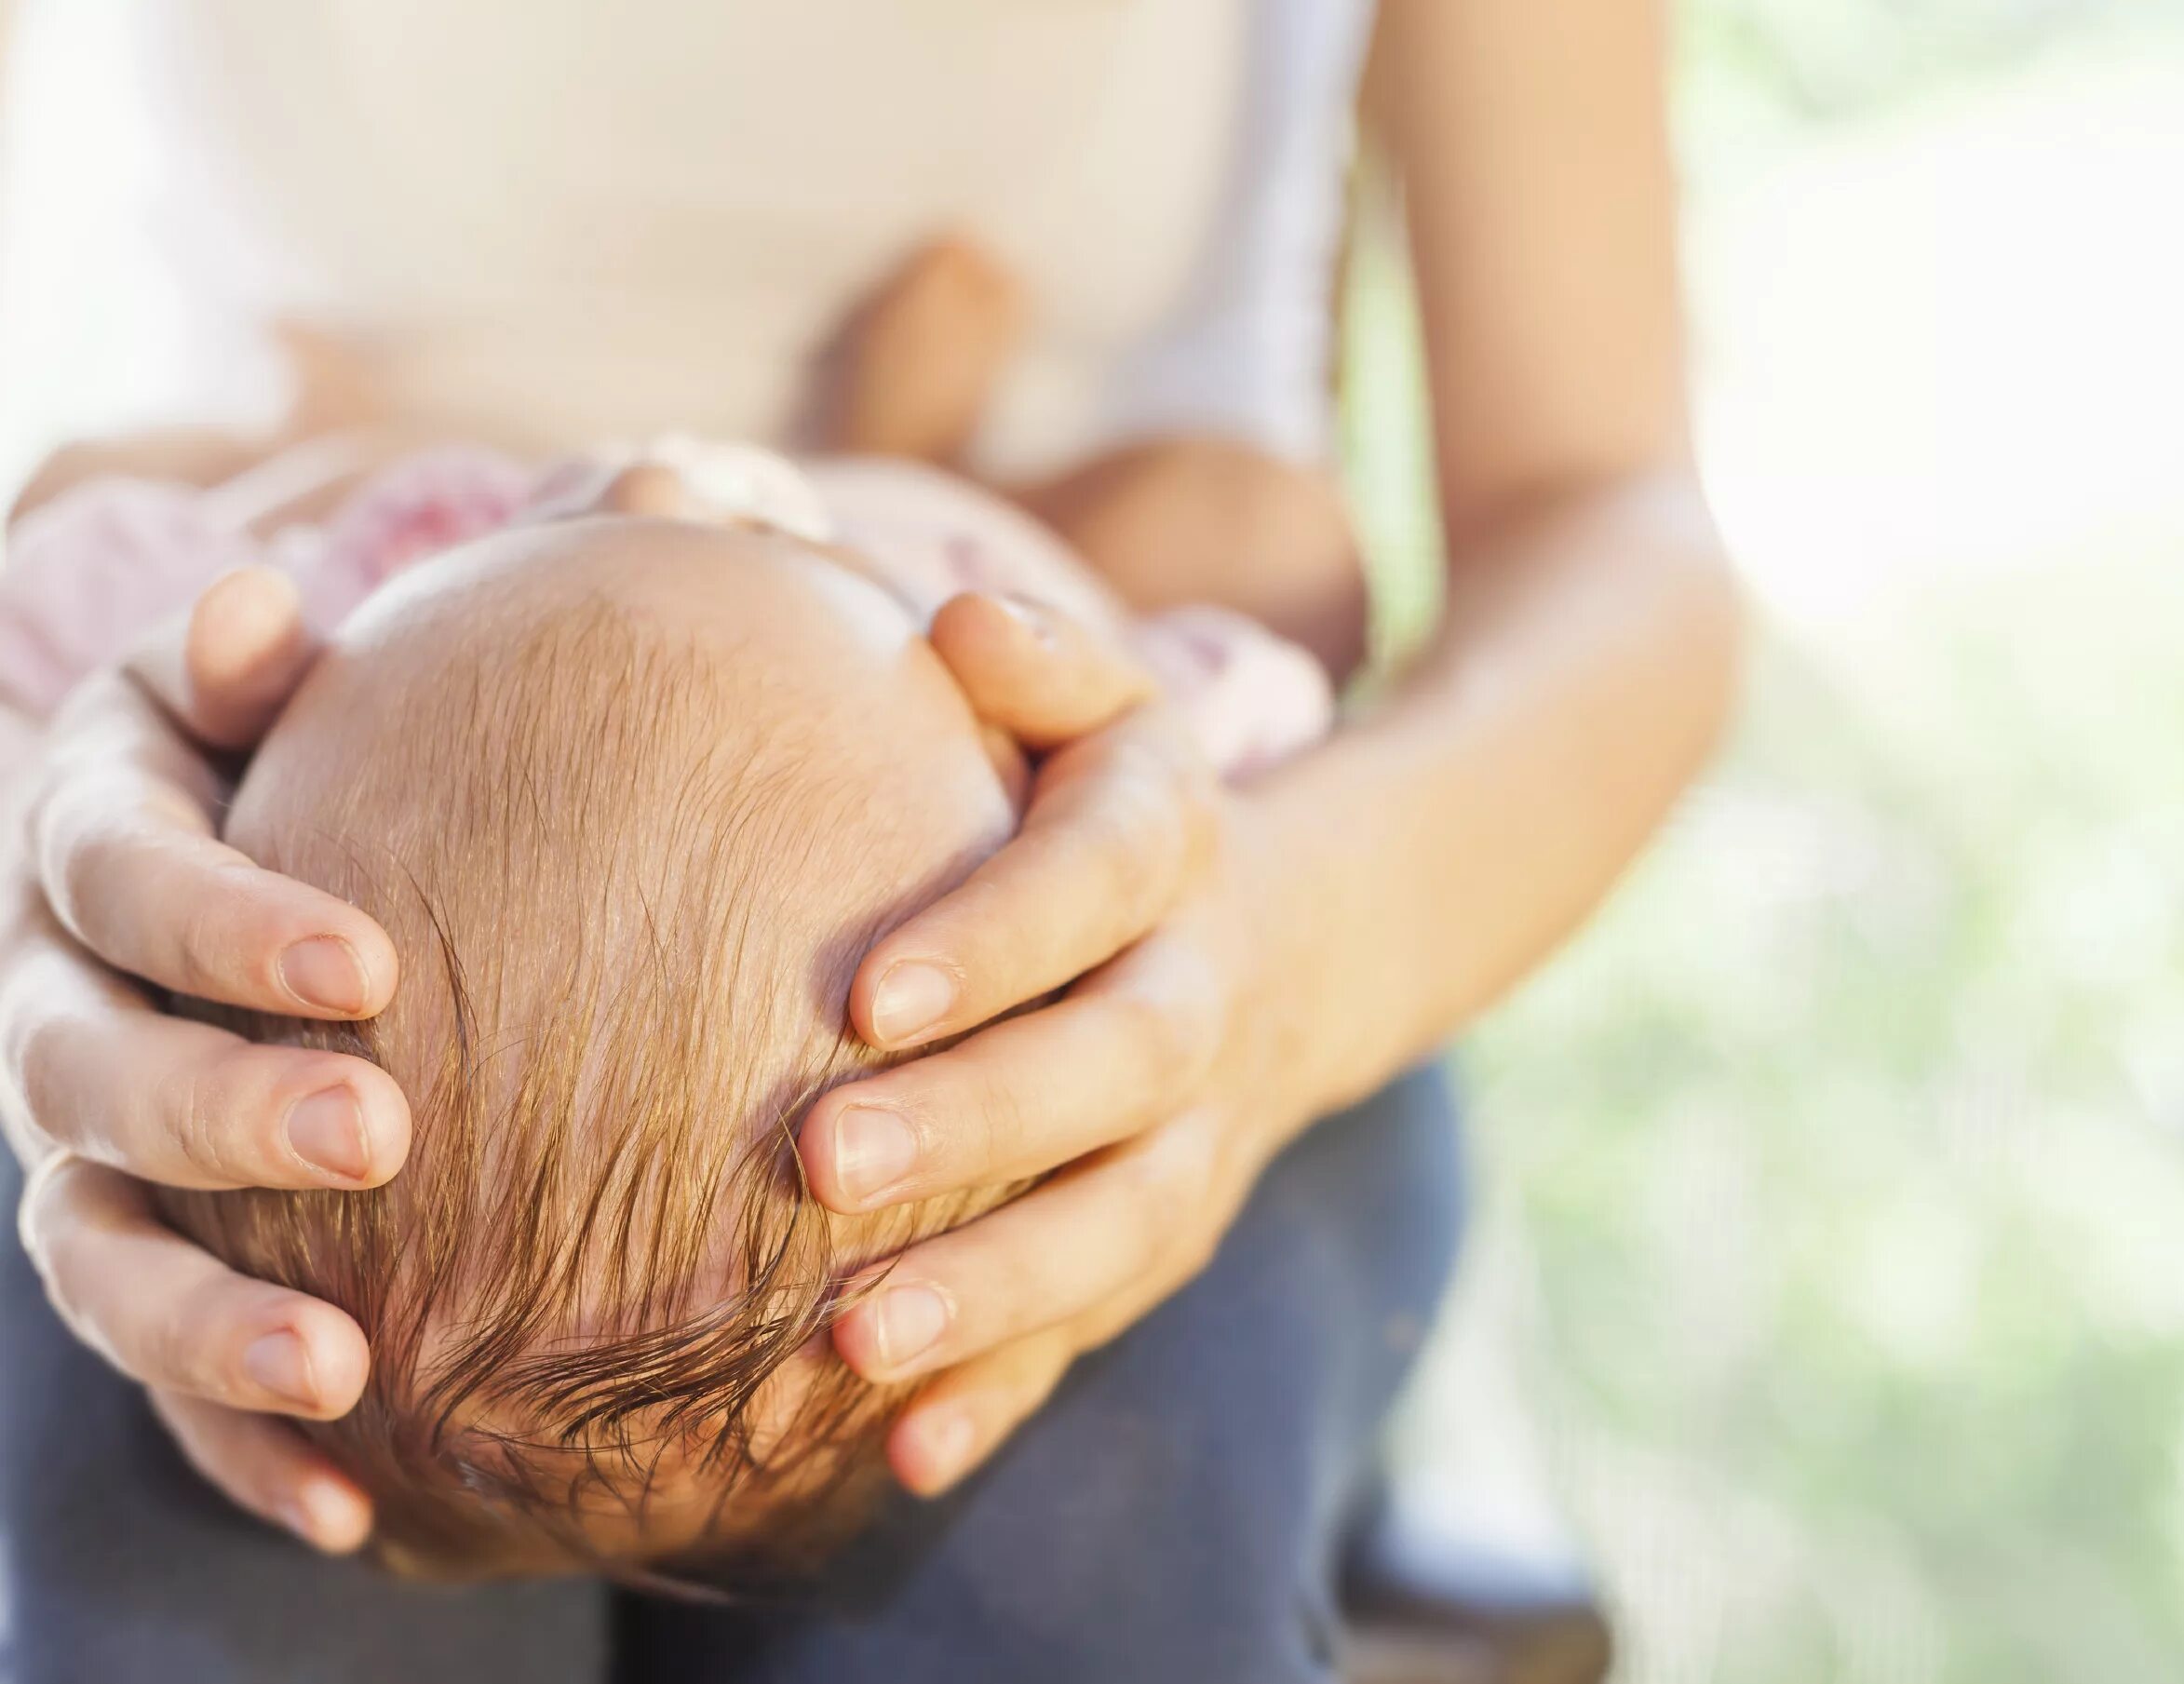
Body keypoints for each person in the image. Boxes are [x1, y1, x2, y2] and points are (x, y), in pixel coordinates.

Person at [0, 4, 1741, 1679]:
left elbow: (1601, 511)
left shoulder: (271, 573)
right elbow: (1267, 576)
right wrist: (50, 860)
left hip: (370, 597)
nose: (671, 469)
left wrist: (1264, 945)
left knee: (1056, 1598)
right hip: (900, 658)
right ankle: (901, 471)